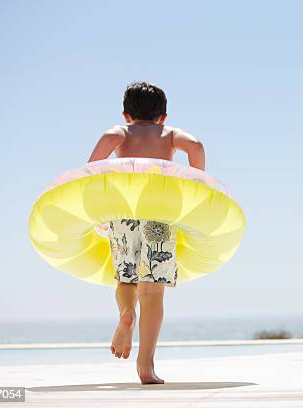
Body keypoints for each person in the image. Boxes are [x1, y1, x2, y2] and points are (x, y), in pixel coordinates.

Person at [87, 81, 205, 384]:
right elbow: (196, 146)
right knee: (152, 291)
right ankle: (145, 365)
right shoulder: (170, 135)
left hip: (123, 214)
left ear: (126, 114)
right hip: (159, 216)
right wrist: (196, 183)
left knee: (125, 279)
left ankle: (127, 313)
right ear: (163, 116)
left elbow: (91, 168)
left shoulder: (119, 133)